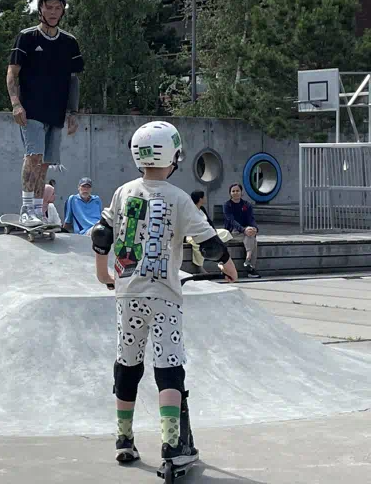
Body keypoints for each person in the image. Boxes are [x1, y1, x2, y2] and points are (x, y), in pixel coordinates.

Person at [90, 121, 238, 468]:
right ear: (174, 157)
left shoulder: (123, 192)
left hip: (128, 296)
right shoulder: (179, 198)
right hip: (164, 297)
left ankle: (124, 439)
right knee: (169, 368)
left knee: (127, 365)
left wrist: (102, 273)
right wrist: (229, 266)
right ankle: (171, 445)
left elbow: (101, 233)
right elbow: (210, 244)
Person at [7, 0, 84, 226]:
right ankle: (26, 207)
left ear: (63, 11)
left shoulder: (69, 42)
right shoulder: (27, 37)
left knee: (46, 163)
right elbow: (12, 73)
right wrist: (16, 104)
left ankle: (38, 210)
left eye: (57, 8)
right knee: (33, 156)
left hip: (56, 111)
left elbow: (73, 79)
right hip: (31, 110)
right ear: (40, 9)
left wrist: (73, 112)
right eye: (49, 7)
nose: (53, 12)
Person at [186, 190, 232, 273]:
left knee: (225, 233)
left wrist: (214, 231)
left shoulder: (202, 208)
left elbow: (209, 222)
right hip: (194, 234)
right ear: (200, 199)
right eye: (204, 197)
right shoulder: (190, 210)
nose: (205, 198)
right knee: (196, 244)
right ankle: (199, 266)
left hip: (207, 232)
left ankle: (222, 258)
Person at [223, 183, 261, 278]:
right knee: (251, 238)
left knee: (250, 234)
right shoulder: (227, 205)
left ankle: (248, 257)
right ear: (230, 193)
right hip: (233, 232)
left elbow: (251, 219)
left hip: (246, 231)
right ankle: (251, 267)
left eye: (237, 191)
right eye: (233, 191)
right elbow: (231, 221)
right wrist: (244, 230)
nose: (235, 193)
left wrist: (255, 228)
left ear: (241, 192)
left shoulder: (246, 205)